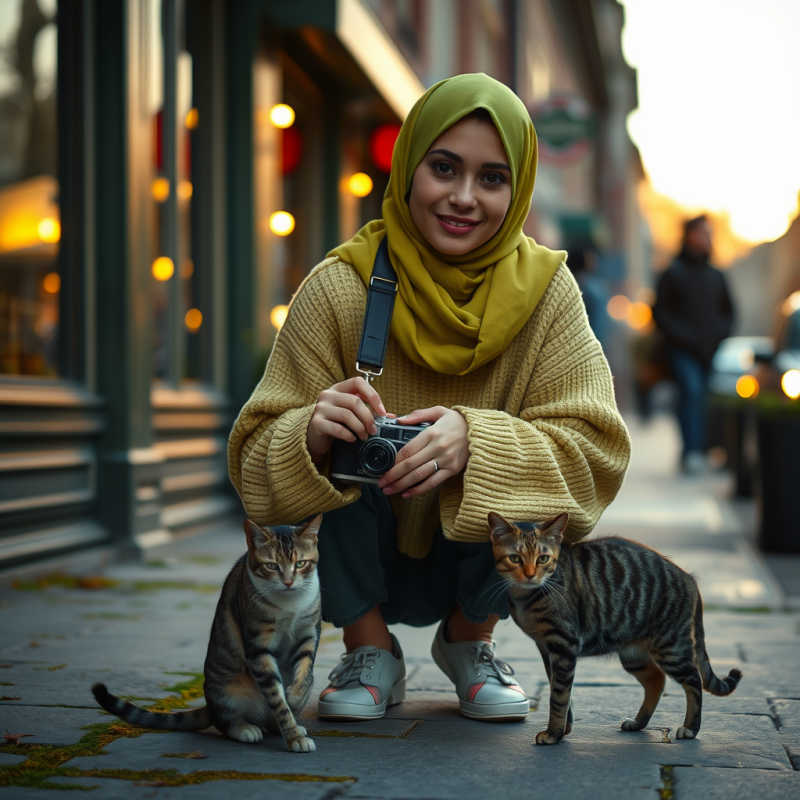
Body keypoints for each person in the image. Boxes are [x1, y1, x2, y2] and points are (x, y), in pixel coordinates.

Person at [228, 74, 631, 723]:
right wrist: (308, 432)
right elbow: (252, 466)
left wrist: (479, 440)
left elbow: (596, 452)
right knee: (342, 444)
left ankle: (471, 640)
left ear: (519, 187)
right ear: (410, 167)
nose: (464, 198)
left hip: (482, 567)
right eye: (444, 168)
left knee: (502, 457)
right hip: (360, 548)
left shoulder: (550, 296)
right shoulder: (338, 287)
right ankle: (368, 651)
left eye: (492, 178)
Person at [653, 215, 734, 473]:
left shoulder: (716, 276)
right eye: (705, 234)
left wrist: (720, 334)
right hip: (682, 349)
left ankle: (702, 448)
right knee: (692, 390)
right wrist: (682, 335)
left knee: (703, 397)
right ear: (691, 236)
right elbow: (660, 312)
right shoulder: (673, 273)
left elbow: (729, 312)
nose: (710, 239)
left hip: (709, 350)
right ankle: (693, 451)